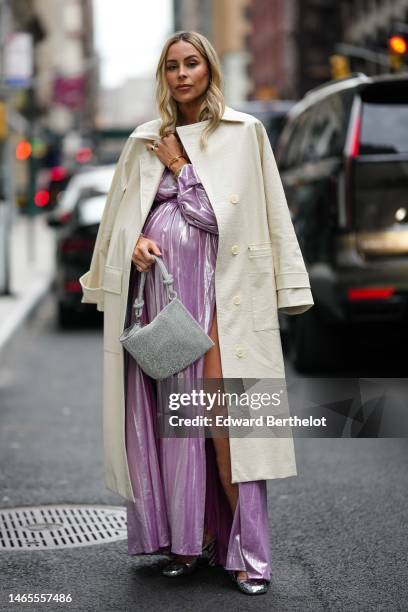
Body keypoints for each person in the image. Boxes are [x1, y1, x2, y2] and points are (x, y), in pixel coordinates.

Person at [125, 31, 274, 596]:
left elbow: (230, 220)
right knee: (173, 436)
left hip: (219, 307)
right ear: (162, 76)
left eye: (192, 64)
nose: (182, 74)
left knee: (227, 434)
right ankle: (191, 544)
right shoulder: (145, 138)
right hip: (165, 308)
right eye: (171, 66)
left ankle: (249, 554)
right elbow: (123, 221)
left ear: (210, 69)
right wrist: (135, 244)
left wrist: (182, 167)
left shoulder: (241, 135)